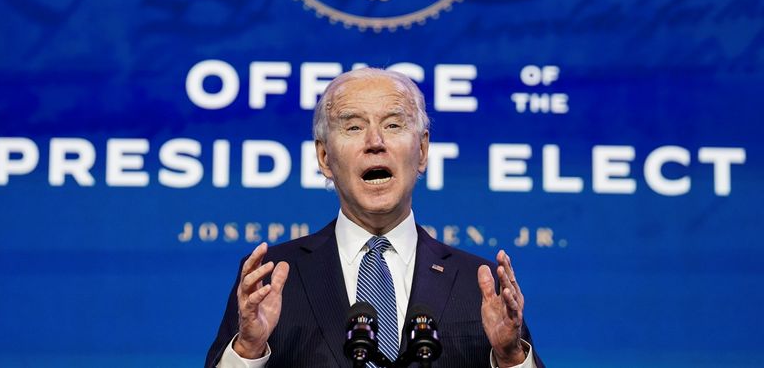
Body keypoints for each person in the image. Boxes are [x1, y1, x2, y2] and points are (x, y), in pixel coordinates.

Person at [206, 68, 544, 368]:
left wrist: (510, 357)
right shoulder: (274, 279)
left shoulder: (480, 283)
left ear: (422, 151)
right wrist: (249, 350)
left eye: (393, 125)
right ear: (324, 157)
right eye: (353, 126)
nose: (375, 142)